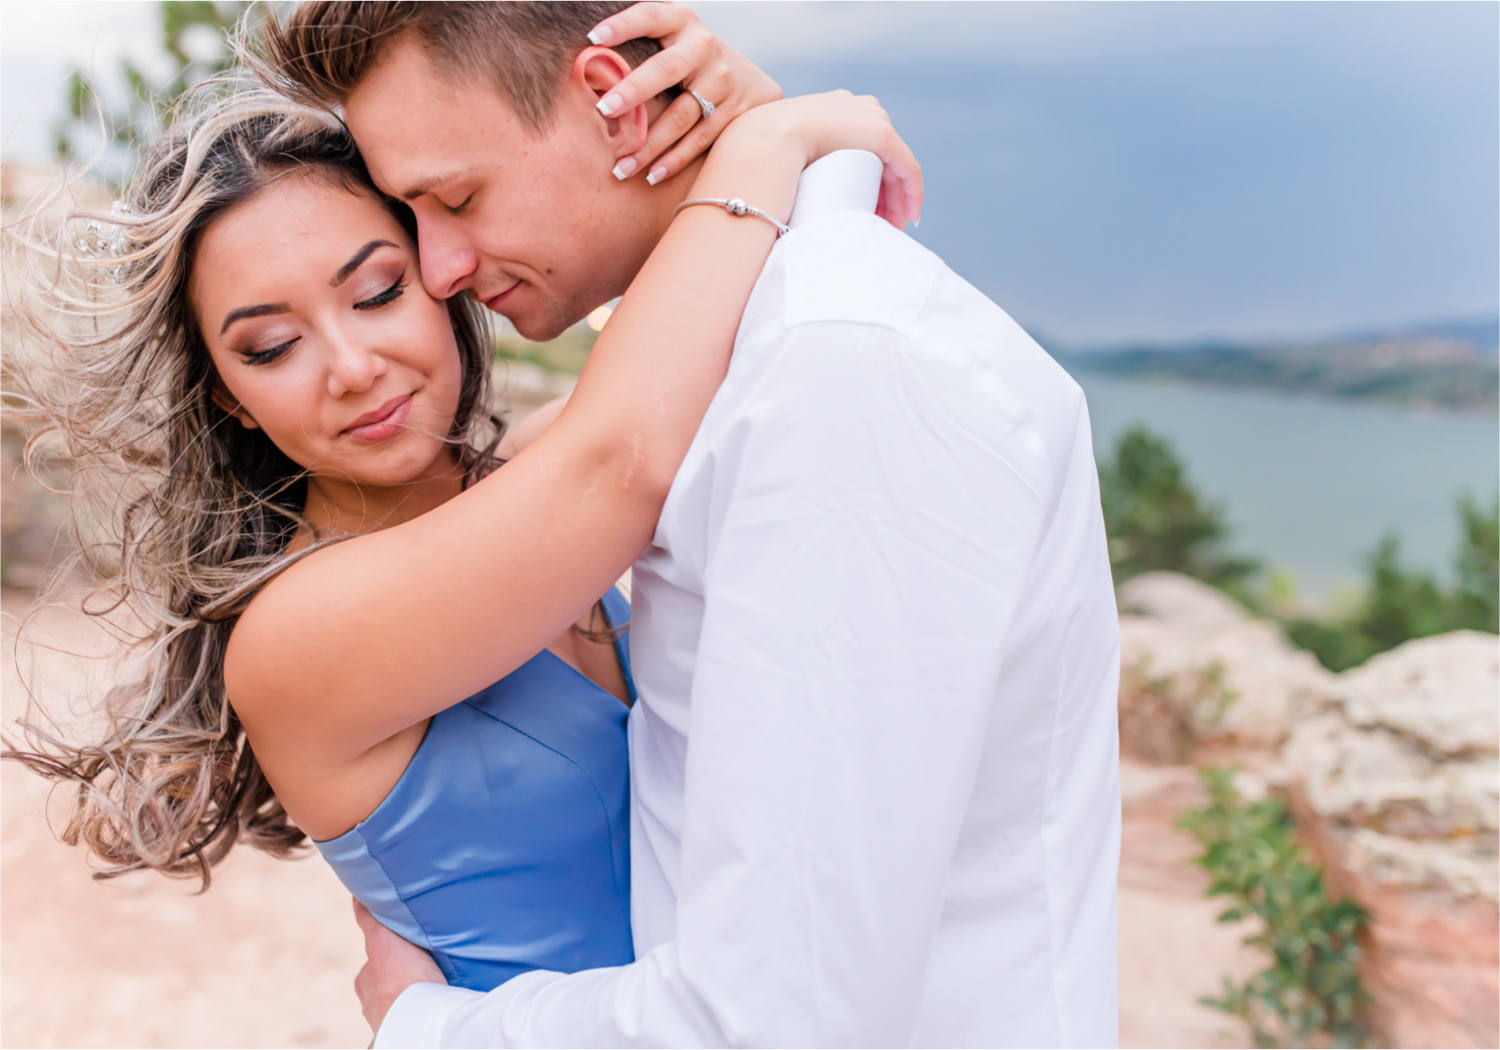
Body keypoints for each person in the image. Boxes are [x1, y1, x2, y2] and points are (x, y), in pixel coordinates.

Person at [6, 0, 918, 1019]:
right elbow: (625, 456)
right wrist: (771, 142)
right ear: (229, 395)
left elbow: (741, 351)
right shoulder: (294, 636)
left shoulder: (524, 479)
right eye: (271, 347)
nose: (352, 367)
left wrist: (710, 124)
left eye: (379, 289)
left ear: (441, 272)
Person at [265, 2, 1123, 1047]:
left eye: (455, 199)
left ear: (607, 99)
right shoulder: (737, 363)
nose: (443, 268)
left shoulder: (831, 367)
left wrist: (426, 1029)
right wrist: (770, 139)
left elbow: (776, 1022)